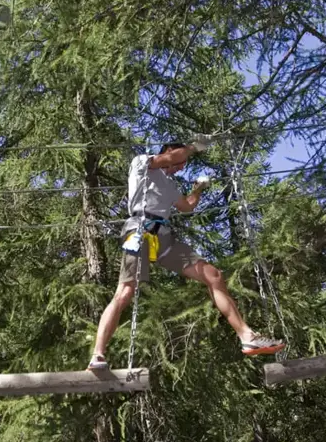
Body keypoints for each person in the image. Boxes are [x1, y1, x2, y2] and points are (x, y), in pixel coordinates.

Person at [88, 135, 285, 370]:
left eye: (184, 164)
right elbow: (174, 156)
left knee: (213, 275)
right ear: (169, 151)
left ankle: (247, 337)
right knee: (125, 292)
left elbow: (187, 206)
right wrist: (193, 147)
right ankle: (98, 354)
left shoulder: (170, 185)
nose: (182, 167)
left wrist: (199, 189)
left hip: (165, 239)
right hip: (140, 230)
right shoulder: (142, 163)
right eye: (180, 162)